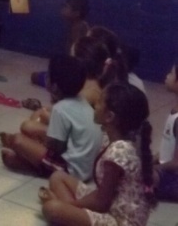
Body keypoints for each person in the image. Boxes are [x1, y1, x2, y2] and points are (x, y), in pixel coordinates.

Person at [40, 83, 155, 226]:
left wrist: (69, 206)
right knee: (57, 177)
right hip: (110, 203)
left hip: (119, 220)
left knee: (51, 209)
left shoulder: (119, 152)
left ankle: (67, 210)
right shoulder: (111, 138)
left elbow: (102, 203)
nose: (95, 105)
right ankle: (70, 212)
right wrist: (72, 206)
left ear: (109, 116)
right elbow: (103, 195)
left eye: (99, 102)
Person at [0, 55, 102, 181]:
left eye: (48, 75)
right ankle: (28, 162)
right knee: (26, 137)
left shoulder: (61, 108)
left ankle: (34, 166)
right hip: (86, 169)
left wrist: (37, 143)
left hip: (71, 171)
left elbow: (55, 149)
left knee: (18, 140)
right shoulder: (81, 101)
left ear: (54, 86)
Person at [31, 0, 89, 87]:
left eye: (66, 7)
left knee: (35, 77)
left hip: (74, 73)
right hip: (74, 70)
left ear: (76, 13)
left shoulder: (78, 28)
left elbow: (76, 56)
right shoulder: (76, 25)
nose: (63, 9)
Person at [154, 61, 178, 201]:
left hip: (174, 178)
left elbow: (176, 164)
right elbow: (167, 149)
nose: (167, 76)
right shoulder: (174, 110)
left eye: (171, 73)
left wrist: (156, 168)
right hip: (167, 170)